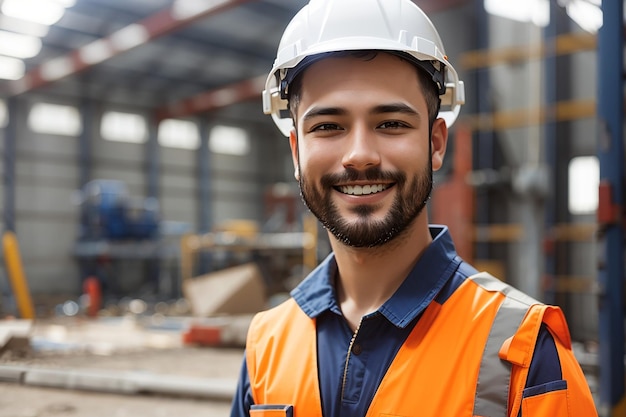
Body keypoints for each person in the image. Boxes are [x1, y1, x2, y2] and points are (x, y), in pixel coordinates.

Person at [230, 0, 598, 416]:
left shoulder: (525, 353)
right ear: (297, 151)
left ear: (436, 143)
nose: (360, 155)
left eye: (391, 124)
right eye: (328, 126)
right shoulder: (267, 342)